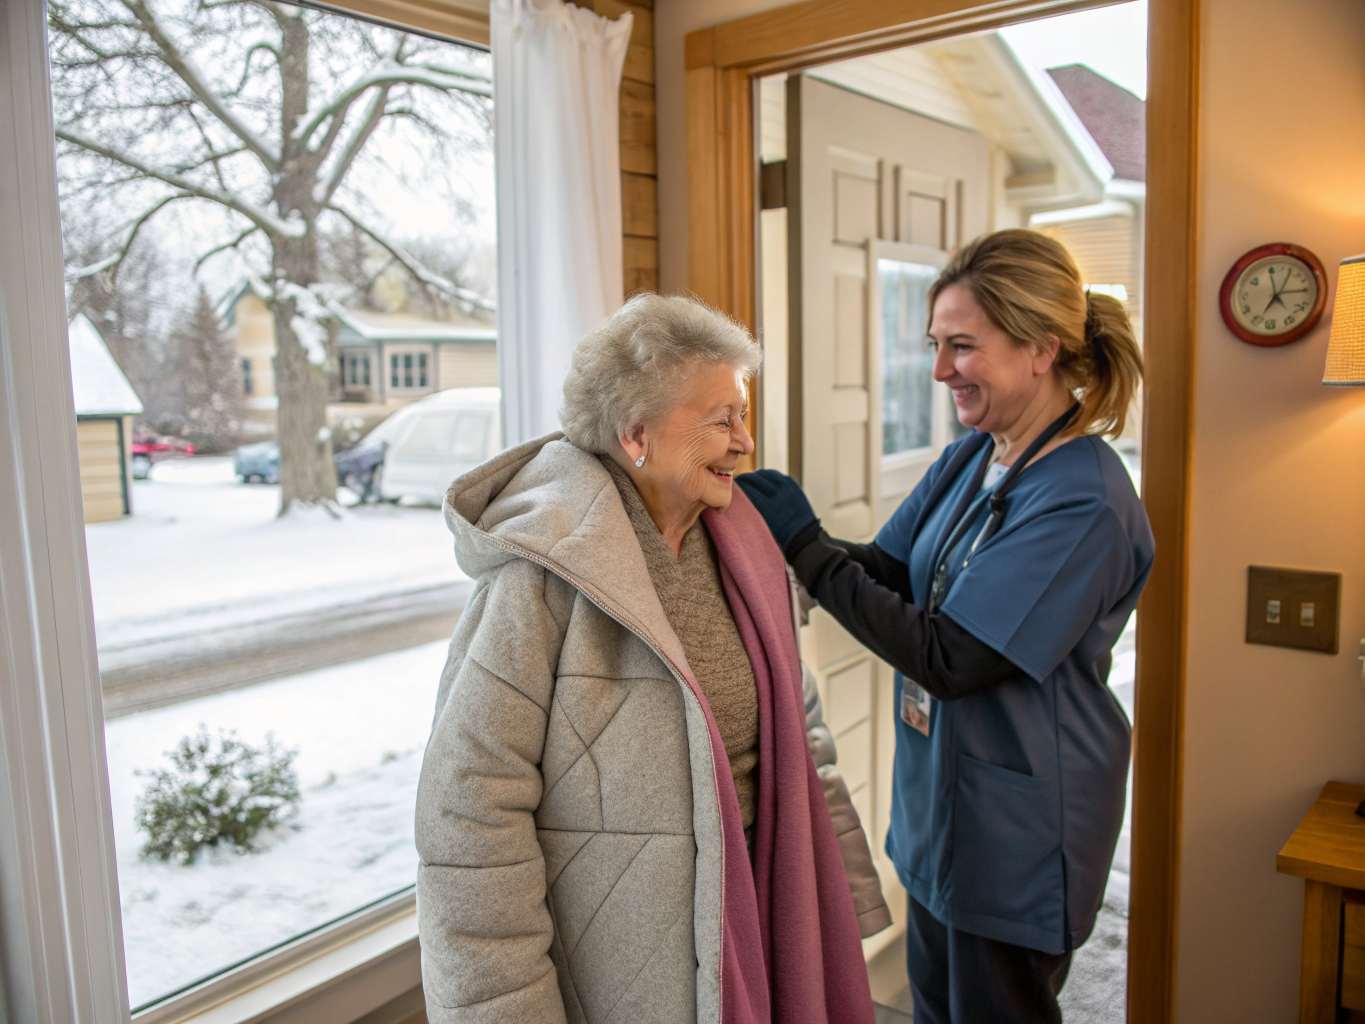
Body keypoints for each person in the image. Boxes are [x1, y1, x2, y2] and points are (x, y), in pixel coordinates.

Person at [415, 293, 880, 1024]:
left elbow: (800, 723)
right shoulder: (537, 579)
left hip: (760, 919)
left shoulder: (742, 544)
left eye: (743, 415)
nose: (745, 443)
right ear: (635, 431)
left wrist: (837, 898)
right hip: (617, 968)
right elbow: (468, 819)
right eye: (720, 419)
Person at [738, 230, 1154, 1024]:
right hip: (940, 805)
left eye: (961, 346)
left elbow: (952, 656)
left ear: (1041, 347)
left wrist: (804, 548)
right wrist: (786, 538)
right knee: (936, 1010)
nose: (937, 372)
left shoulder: (1083, 498)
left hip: (1020, 823)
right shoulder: (977, 454)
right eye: (935, 345)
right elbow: (890, 573)